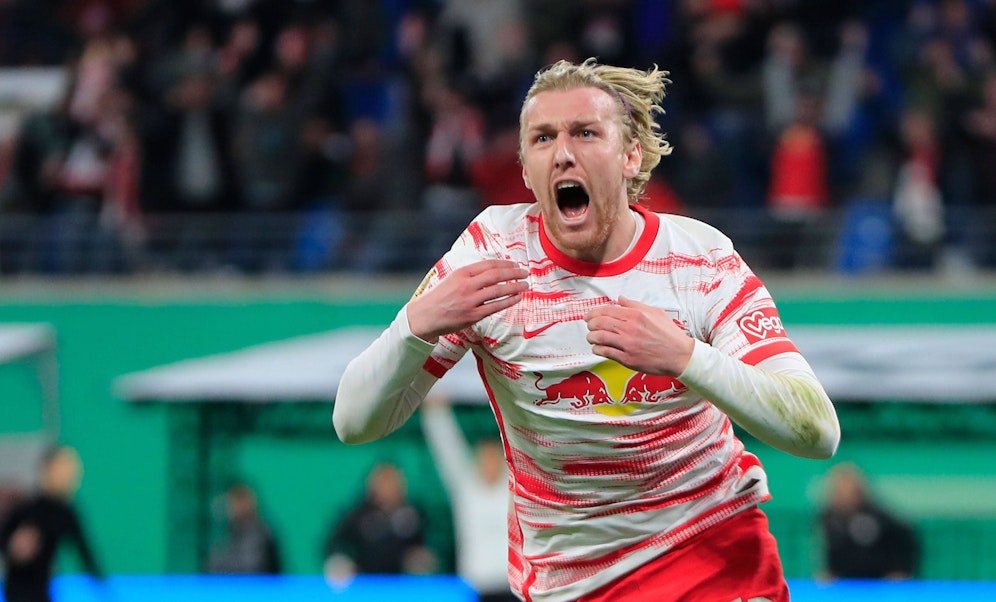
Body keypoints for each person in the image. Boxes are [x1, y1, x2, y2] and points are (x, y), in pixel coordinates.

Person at [333, 58, 840, 602]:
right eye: (543, 138)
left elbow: (818, 431)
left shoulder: (700, 260)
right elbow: (354, 422)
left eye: (585, 133)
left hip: (711, 553)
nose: (563, 153)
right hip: (570, 583)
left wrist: (685, 357)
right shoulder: (491, 254)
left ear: (630, 156)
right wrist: (415, 325)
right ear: (526, 170)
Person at [420, 395, 516, 602]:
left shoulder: (512, 489)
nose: (489, 464)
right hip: (477, 585)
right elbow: (446, 448)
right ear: (477, 460)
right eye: (485, 458)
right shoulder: (467, 488)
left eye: (494, 458)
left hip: (512, 586)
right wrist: (435, 411)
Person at [0, 445, 103, 602]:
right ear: (46, 471)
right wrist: (13, 546)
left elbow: (84, 550)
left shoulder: (66, 513)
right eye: (61, 469)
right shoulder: (27, 508)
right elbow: (5, 538)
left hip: (41, 591)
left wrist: (101, 581)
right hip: (18, 591)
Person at [322, 462, 436, 580]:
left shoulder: (414, 513)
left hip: (405, 580)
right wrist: (343, 559)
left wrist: (420, 556)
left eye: (393, 481)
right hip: (364, 578)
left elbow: (430, 543)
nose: (388, 487)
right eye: (384, 481)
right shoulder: (359, 514)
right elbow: (333, 543)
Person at [818, 463, 919, 581]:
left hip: (879, 583)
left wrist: (901, 570)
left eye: (849, 490)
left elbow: (906, 541)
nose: (844, 495)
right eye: (839, 491)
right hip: (846, 583)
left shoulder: (880, 517)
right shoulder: (828, 519)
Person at [205, 481, 282, 575]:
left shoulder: (261, 534)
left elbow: (251, 567)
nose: (230, 507)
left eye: (235, 501)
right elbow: (211, 565)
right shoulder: (228, 534)